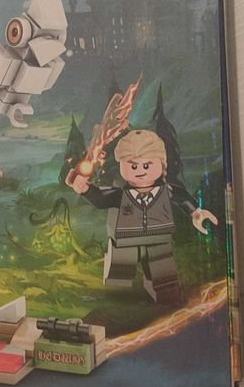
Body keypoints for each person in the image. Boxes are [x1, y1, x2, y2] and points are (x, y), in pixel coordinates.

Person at [66, 129, 217, 303]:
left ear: (161, 164)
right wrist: (85, 189)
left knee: (163, 273)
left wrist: (196, 213)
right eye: (133, 165)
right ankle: (120, 299)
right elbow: (101, 199)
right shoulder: (120, 195)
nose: (140, 171)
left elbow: (182, 197)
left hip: (159, 239)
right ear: (122, 165)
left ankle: (164, 295)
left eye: (146, 165)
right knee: (119, 274)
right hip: (125, 240)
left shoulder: (165, 190)